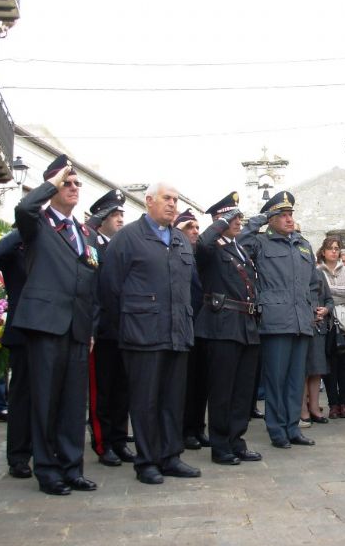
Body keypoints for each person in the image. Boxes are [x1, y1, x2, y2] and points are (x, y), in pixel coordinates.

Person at [99, 181, 200, 485]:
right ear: (148, 201)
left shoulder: (181, 240)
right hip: (142, 334)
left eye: (175, 199)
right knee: (145, 402)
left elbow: (192, 288)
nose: (172, 204)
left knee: (172, 400)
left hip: (177, 333)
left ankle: (170, 457)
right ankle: (146, 462)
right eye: (167, 198)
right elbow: (109, 289)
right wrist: (131, 324)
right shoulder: (128, 238)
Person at [11, 155, 99, 495]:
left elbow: (89, 281)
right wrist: (52, 181)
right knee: (45, 400)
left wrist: (90, 328)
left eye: (77, 183)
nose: (75, 187)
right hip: (47, 325)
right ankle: (47, 469)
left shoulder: (82, 231)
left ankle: (71, 466)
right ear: (52, 188)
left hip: (77, 327)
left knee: (74, 403)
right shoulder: (39, 223)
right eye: (68, 182)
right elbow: (23, 209)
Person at [238, 191, 318, 449]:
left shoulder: (303, 244)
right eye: (282, 215)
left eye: (290, 214)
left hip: (301, 320)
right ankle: (277, 430)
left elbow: (313, 283)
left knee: (296, 380)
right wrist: (257, 220)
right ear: (270, 219)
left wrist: (313, 308)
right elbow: (239, 243)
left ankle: (293, 427)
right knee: (276, 379)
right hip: (275, 320)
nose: (288, 219)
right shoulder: (261, 242)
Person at [195, 192, 263, 465]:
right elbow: (201, 244)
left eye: (238, 216)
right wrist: (221, 222)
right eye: (231, 217)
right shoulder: (211, 248)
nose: (238, 221)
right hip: (221, 324)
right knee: (222, 389)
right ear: (219, 220)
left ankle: (237, 440)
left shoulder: (239, 248)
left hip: (245, 324)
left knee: (242, 390)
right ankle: (220, 444)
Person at [85, 188, 135, 468]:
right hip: (101, 330)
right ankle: (103, 444)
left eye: (121, 215)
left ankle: (119, 439)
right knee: (101, 392)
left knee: (122, 390)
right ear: (101, 218)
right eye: (114, 214)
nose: (119, 220)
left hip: (124, 329)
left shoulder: (123, 248)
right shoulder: (92, 244)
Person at [0, 230, 31, 478]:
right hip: (23, 332)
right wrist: (24, 226)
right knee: (22, 397)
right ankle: (19, 456)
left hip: (52, 331)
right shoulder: (15, 248)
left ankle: (46, 447)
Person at [174, 209, 210, 450]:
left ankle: (198, 427)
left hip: (204, 325)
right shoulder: (174, 251)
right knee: (185, 384)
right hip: (184, 325)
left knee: (202, 382)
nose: (195, 232)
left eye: (197, 227)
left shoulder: (203, 254)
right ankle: (184, 429)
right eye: (189, 227)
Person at [320, 238, 345, 419]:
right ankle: (333, 404)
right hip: (326, 323)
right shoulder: (318, 271)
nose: (334, 251)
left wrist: (330, 291)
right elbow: (319, 295)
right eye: (330, 248)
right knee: (329, 366)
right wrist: (336, 293)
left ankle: (344, 403)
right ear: (324, 251)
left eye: (337, 249)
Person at [302, 261, 333, 425]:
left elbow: (329, 300)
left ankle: (315, 408)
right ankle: (302, 410)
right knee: (302, 372)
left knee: (316, 370)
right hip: (301, 328)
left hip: (319, 330)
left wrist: (325, 310)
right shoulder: (294, 272)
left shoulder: (319, 273)